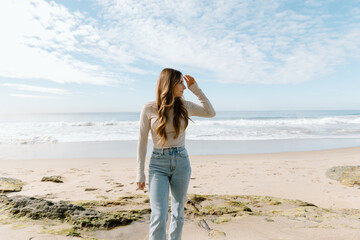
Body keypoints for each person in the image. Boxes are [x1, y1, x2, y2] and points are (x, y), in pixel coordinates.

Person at [136, 68, 216, 240]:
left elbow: (211, 112)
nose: (184, 87)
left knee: (178, 214)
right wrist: (140, 172)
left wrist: (197, 90)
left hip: (181, 162)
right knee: (159, 215)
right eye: (180, 83)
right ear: (169, 84)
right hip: (158, 164)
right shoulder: (148, 109)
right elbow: (142, 141)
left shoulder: (185, 106)